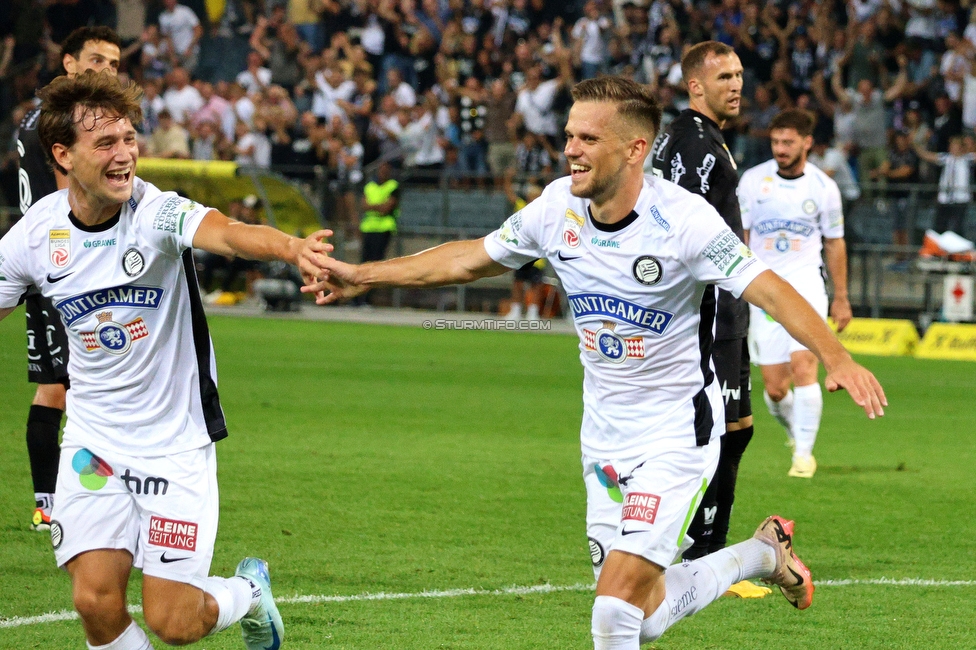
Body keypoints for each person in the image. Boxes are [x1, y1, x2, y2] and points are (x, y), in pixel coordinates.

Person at [299, 76, 887, 649]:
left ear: (634, 150)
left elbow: (770, 288)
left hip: (676, 434)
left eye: (586, 139)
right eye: (569, 135)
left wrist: (837, 357)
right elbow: (469, 260)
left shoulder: (683, 221)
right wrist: (363, 275)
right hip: (603, 438)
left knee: (611, 614)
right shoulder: (557, 207)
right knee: (645, 615)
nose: (570, 151)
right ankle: (762, 554)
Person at [0, 71, 328, 650]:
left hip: (174, 444)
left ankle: (248, 592)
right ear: (63, 155)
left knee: (173, 623)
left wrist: (291, 247)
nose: (125, 155)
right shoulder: (36, 235)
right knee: (93, 600)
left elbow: (226, 233)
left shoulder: (155, 214)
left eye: (129, 139)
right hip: (93, 444)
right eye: (105, 144)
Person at [648, 41, 759, 587]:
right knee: (715, 430)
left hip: (727, 304)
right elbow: (683, 224)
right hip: (713, 305)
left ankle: (708, 547)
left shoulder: (698, 137)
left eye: (739, 75)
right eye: (724, 77)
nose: (736, 85)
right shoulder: (696, 146)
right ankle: (696, 550)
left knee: (737, 429)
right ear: (696, 85)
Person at [16, 26, 123, 532]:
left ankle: (49, 503)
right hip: (68, 267)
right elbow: (78, 193)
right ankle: (88, 501)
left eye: (114, 64)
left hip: (42, 265)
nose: (106, 70)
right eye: (96, 60)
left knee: (53, 387)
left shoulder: (31, 120)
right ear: (69, 63)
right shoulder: (63, 124)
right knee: (79, 389)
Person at [739, 109, 853, 479]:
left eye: (788, 142)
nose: (781, 149)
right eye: (775, 142)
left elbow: (835, 244)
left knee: (805, 366)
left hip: (805, 286)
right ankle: (797, 433)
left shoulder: (823, 187)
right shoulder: (753, 181)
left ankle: (803, 455)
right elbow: (740, 238)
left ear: (807, 142)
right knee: (774, 389)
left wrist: (841, 296)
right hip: (763, 288)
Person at [354, 161, 400, 306]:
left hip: (384, 228)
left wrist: (373, 207)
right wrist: (378, 206)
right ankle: (358, 298)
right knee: (364, 263)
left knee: (376, 264)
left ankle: (367, 298)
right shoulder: (370, 186)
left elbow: (387, 207)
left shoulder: (393, 186)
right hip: (368, 228)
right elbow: (363, 205)